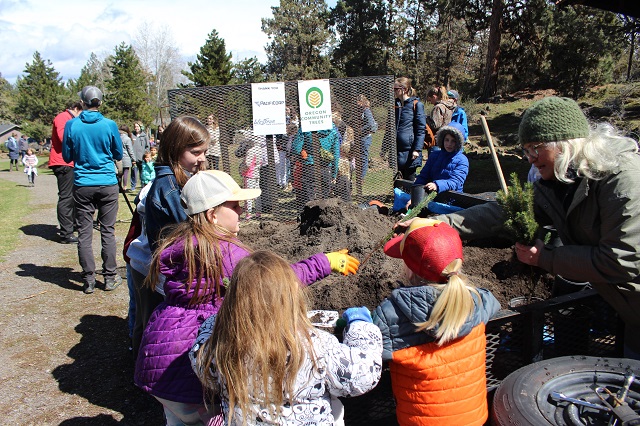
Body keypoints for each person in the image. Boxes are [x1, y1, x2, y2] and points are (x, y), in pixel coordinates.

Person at [411, 96, 640, 360]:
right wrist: (437, 223)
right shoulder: (557, 183)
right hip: (627, 309)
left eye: (535, 148)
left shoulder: (623, 179)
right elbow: (502, 212)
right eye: (526, 150)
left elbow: (623, 259)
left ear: (564, 144)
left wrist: (546, 258)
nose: (529, 158)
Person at [135, 171, 362, 425]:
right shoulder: (225, 252)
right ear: (213, 215)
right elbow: (269, 284)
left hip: (158, 360)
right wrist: (324, 262)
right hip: (191, 375)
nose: (241, 211)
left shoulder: (182, 242)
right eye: (234, 206)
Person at [189, 250, 381, 425]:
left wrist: (219, 321)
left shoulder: (220, 347)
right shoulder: (315, 346)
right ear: (291, 297)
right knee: (337, 408)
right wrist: (361, 326)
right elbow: (362, 375)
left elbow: (200, 356)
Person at [374, 219, 500, 425]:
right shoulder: (479, 300)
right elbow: (492, 302)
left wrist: (358, 321)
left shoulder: (391, 314)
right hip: (474, 419)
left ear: (409, 268)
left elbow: (371, 352)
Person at [129, 115, 209, 358]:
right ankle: (144, 371)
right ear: (175, 149)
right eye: (196, 152)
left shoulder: (181, 177)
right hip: (149, 268)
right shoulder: (169, 188)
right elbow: (189, 232)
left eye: (204, 151)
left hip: (159, 264)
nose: (202, 158)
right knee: (151, 326)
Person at [62, 86, 123, 294]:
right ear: (100, 102)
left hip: (83, 184)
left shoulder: (72, 125)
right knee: (107, 231)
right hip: (107, 182)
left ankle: (88, 280)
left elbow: (67, 156)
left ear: (82, 102)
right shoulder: (109, 125)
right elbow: (117, 152)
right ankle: (109, 277)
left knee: (85, 233)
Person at [413, 121, 469, 194]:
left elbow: (456, 182)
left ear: (458, 143)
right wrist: (415, 196)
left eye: (453, 141)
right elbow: (423, 176)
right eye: (447, 140)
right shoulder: (434, 156)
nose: (449, 144)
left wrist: (437, 185)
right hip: (431, 196)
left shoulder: (462, 160)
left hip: (452, 199)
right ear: (442, 140)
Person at [394, 77, 426, 181]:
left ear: (404, 89)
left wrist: (417, 149)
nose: (393, 91)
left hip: (410, 152)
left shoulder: (416, 105)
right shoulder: (395, 105)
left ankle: (413, 198)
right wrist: (384, 149)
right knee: (398, 181)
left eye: (396, 89)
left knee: (410, 180)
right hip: (396, 151)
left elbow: (421, 130)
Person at [237, 135, 263, 219]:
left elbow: (247, 164)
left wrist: (242, 169)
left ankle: (248, 213)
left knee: (248, 194)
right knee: (257, 193)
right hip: (256, 173)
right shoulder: (259, 149)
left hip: (249, 174)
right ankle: (258, 212)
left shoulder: (250, 151)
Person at [357, 94, 377, 179]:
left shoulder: (366, 111)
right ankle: (360, 176)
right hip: (361, 137)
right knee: (361, 157)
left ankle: (362, 178)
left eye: (357, 102)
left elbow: (371, 124)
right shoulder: (361, 111)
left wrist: (360, 129)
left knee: (363, 157)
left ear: (361, 102)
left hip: (366, 137)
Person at [131, 121, 150, 192]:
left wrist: (146, 155)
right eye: (135, 127)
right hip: (134, 158)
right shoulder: (132, 135)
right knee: (133, 173)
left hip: (142, 158)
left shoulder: (144, 136)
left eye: (137, 126)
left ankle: (143, 185)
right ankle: (133, 186)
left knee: (143, 173)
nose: (136, 128)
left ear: (141, 127)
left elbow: (147, 146)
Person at [118, 124, 136, 192]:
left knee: (119, 174)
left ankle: (119, 187)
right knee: (125, 173)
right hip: (126, 158)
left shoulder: (117, 137)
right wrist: (134, 159)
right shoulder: (127, 139)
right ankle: (125, 187)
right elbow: (130, 150)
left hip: (118, 158)